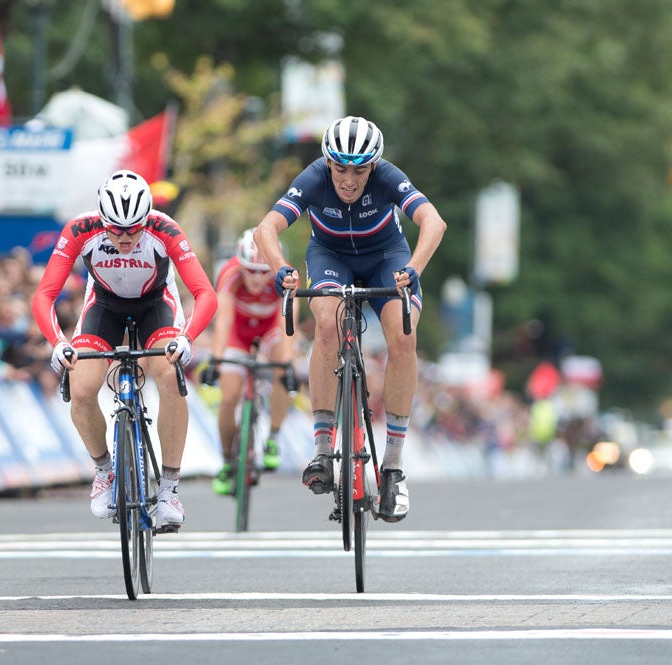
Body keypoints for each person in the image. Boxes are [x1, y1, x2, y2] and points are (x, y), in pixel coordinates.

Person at [253, 115, 447, 522]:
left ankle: (392, 466)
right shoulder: (313, 177)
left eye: (359, 170)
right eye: (340, 168)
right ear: (328, 162)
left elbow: (433, 221)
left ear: (374, 166)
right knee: (326, 325)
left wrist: (414, 268)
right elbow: (266, 229)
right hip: (330, 258)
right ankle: (323, 449)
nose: (348, 179)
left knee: (402, 337)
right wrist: (279, 269)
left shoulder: (388, 177)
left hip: (386, 258)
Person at [32, 169, 217, 531]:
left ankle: (168, 489)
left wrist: (187, 337)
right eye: (116, 228)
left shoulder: (165, 230)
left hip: (155, 307)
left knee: (169, 373)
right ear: (102, 219)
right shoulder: (80, 230)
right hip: (104, 307)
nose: (126, 236)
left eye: (135, 228)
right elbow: (44, 294)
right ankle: (103, 471)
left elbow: (205, 293)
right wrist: (58, 342)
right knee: (82, 389)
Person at [201, 229, 297, 496]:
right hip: (238, 333)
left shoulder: (284, 274)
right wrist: (216, 361)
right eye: (249, 270)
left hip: (269, 330)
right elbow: (223, 322)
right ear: (239, 264)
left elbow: (287, 326)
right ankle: (226, 461)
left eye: (262, 271)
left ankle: (273, 439)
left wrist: (287, 364)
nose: (256, 278)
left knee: (282, 368)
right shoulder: (230, 274)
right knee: (229, 396)